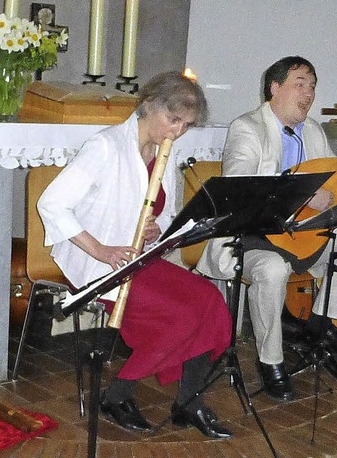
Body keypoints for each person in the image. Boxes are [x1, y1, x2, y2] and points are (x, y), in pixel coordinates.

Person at [38, 72, 233, 438]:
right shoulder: (106, 146)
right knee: (180, 317)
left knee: (209, 300)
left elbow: (164, 212)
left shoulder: (164, 153)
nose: (177, 131)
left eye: (186, 125)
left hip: (140, 260)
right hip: (100, 264)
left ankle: (188, 401)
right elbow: (51, 204)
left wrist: (158, 227)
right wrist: (101, 249)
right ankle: (117, 395)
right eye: (172, 120)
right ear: (149, 106)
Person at [198, 56, 337, 402]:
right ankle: (271, 361)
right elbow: (241, 183)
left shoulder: (312, 130)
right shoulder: (247, 127)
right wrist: (301, 190)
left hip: (304, 235)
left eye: (312, 85)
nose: (309, 92)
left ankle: (324, 323)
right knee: (270, 270)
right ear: (275, 88)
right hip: (255, 235)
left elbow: (335, 177)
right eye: (300, 83)